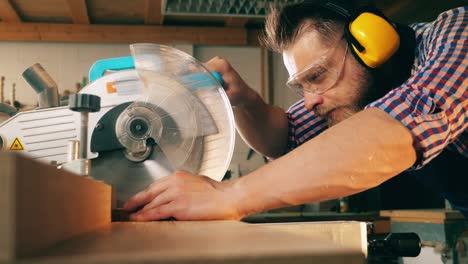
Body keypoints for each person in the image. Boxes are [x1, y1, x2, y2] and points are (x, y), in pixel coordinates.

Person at [123, 0, 468, 221]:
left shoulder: (457, 35)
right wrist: (244, 100)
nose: (310, 99)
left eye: (317, 76)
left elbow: (403, 122)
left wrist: (231, 194)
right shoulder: (347, 96)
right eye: (301, 85)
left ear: (372, 42)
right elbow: (286, 137)